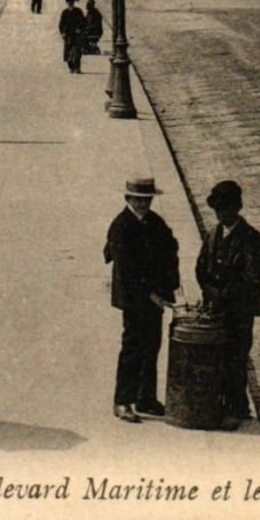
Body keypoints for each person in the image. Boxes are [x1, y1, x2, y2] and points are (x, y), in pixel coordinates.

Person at [103, 176, 179, 423]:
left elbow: (170, 251)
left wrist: (170, 287)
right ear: (128, 199)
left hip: (155, 297)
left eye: (147, 200)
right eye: (138, 200)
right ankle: (122, 401)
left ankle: (145, 397)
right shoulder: (121, 226)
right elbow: (127, 270)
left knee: (152, 345)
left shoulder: (155, 223)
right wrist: (152, 294)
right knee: (133, 347)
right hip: (133, 298)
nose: (143, 204)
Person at [195, 180, 260, 431]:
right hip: (217, 307)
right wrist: (209, 291)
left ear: (237, 208)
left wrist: (223, 294)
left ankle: (235, 408)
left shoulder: (250, 238)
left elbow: (251, 276)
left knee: (236, 357)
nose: (222, 215)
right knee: (219, 357)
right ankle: (227, 406)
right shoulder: (214, 234)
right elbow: (201, 267)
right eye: (218, 211)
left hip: (239, 311)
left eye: (226, 210)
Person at [58, 0, 87, 74]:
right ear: (67, 3)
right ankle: (71, 67)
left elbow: (83, 21)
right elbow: (61, 24)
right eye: (69, 2)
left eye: (72, 2)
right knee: (68, 51)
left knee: (77, 51)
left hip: (76, 34)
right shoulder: (65, 12)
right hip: (68, 34)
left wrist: (79, 29)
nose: (70, 4)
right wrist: (62, 32)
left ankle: (77, 68)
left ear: (73, 3)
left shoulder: (78, 11)